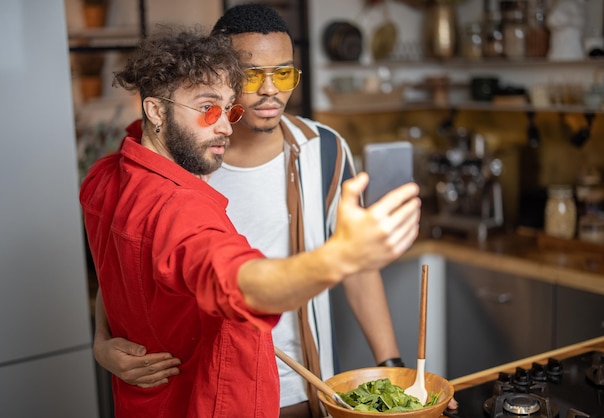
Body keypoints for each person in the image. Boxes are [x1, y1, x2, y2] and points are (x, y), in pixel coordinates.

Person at [81, 23, 421, 418]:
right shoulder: (179, 204)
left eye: (229, 109)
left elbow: (121, 269)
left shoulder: (107, 175)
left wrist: (103, 338)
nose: (225, 124)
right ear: (156, 109)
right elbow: (237, 282)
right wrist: (338, 258)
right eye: (208, 109)